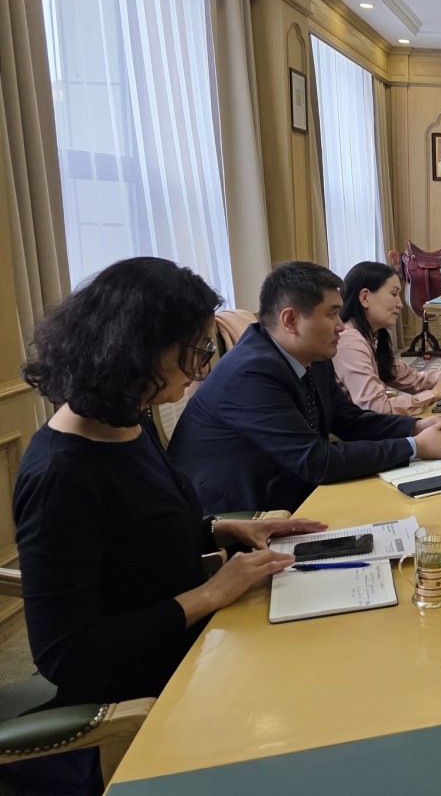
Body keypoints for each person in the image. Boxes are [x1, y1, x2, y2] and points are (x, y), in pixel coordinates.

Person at [12, 258, 325, 794]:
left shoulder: (126, 420)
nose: (201, 368)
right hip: (136, 695)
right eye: (196, 351)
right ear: (139, 346)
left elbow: (136, 534)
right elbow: (68, 653)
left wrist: (219, 530)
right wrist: (209, 594)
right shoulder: (62, 475)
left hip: (191, 651)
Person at [170, 261, 441, 514]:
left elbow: (349, 420)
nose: (341, 326)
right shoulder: (251, 372)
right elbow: (315, 461)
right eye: (331, 314)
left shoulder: (313, 356)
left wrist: (414, 427)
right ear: (290, 320)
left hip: (290, 494)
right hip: (238, 518)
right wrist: (415, 447)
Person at [333, 261, 441, 414]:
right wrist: (435, 394)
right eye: (394, 294)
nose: (400, 304)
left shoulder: (370, 338)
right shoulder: (350, 342)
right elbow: (377, 409)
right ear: (365, 298)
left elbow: (415, 380)